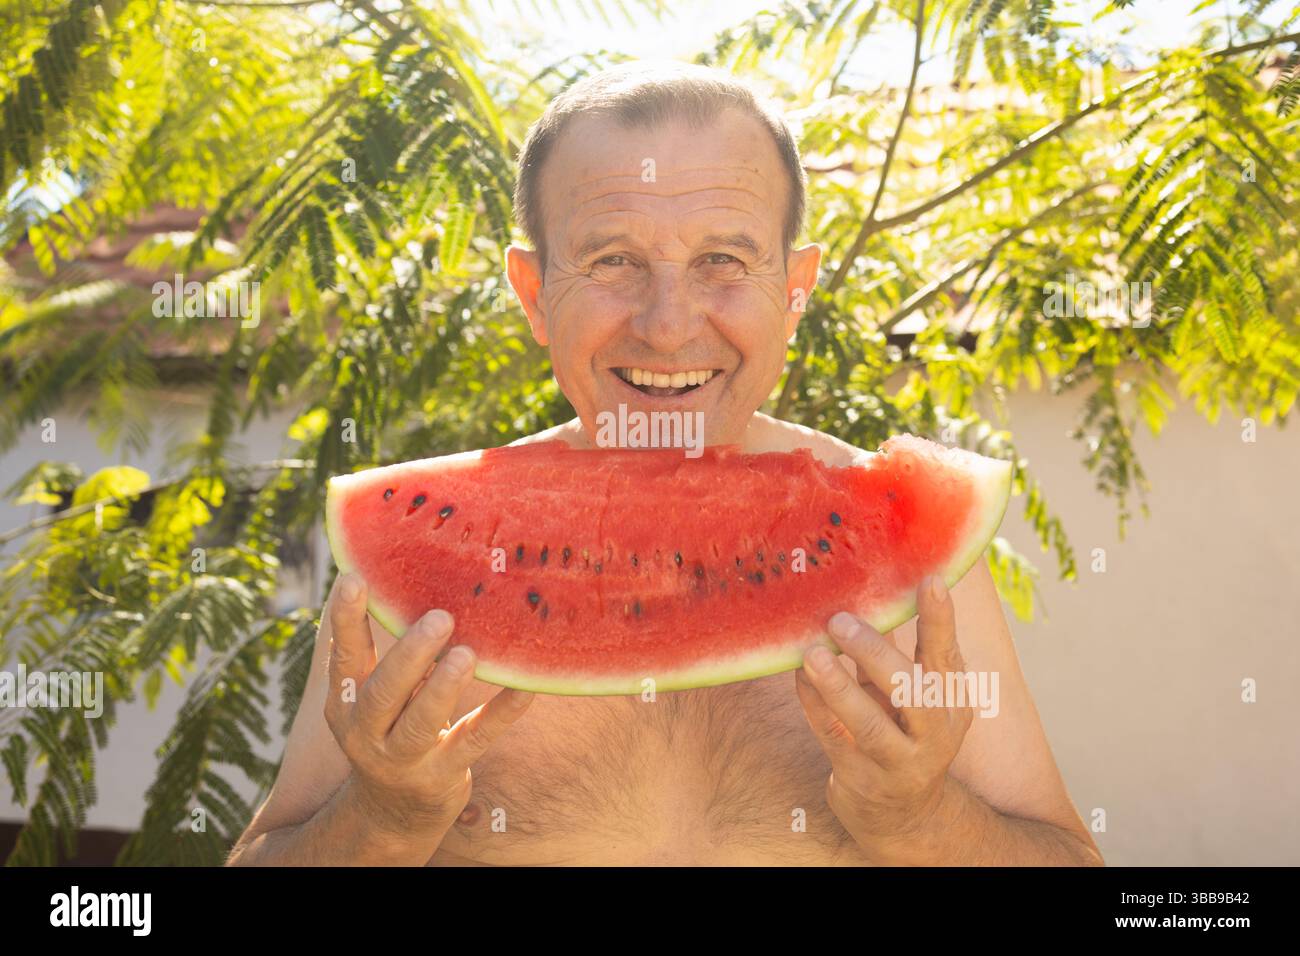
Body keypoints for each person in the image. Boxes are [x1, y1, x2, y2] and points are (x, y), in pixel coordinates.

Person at [228, 60, 1102, 866]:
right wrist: (380, 820)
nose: (669, 324)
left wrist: (924, 822)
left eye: (723, 260)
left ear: (794, 291)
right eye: (614, 262)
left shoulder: (922, 566)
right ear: (535, 295)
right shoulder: (419, 582)